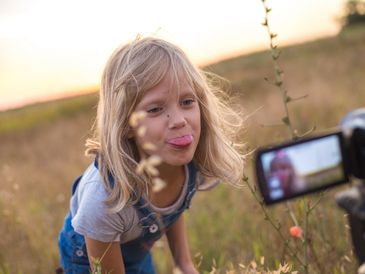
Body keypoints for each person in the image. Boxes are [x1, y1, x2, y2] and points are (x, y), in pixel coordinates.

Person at [58, 36, 244, 274]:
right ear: (125, 123)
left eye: (187, 102)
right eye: (156, 109)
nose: (179, 121)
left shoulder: (186, 160)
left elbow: (171, 208)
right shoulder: (102, 200)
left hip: (136, 249)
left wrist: (184, 264)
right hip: (87, 257)